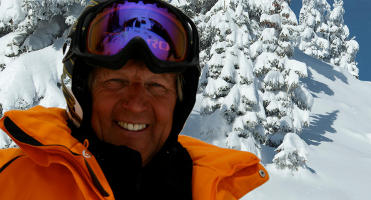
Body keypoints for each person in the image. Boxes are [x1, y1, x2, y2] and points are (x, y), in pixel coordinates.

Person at [0, 0, 268, 199]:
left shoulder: (213, 189)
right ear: (81, 93)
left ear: (180, 103)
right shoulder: (9, 181)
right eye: (115, 82)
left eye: (156, 86)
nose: (137, 103)